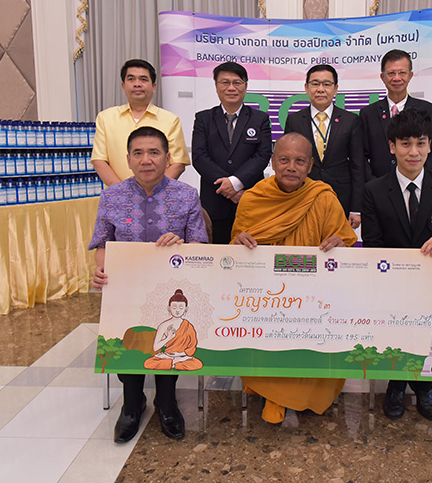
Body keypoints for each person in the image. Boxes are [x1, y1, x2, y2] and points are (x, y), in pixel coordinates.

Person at [89, 126, 208, 442]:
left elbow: (200, 245)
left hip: (172, 291)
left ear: (167, 158)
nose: (146, 160)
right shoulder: (112, 196)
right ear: (128, 159)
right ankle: (132, 403)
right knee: (128, 339)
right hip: (125, 289)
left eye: (154, 152)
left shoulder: (186, 195)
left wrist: (182, 245)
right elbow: (102, 244)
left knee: (171, 340)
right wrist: (102, 269)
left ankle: (167, 403)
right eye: (138, 153)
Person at [231, 133, 357, 424]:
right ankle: (273, 393)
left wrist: (340, 245)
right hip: (267, 298)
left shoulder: (323, 198)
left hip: (314, 297)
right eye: (284, 160)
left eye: (299, 161)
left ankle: (302, 395)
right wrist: (238, 244)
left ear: (310, 165)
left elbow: (345, 244)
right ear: (273, 162)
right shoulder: (253, 199)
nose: (291, 167)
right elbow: (235, 251)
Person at [361, 107, 432, 422]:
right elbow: (373, 243)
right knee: (397, 332)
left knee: (430, 333)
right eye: (405, 144)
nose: (414, 152)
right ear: (392, 147)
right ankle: (395, 386)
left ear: (430, 146)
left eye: (421, 143)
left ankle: (425, 388)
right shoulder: (374, 191)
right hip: (392, 282)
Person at [192, 62, 272, 244]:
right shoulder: (203, 118)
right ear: (216, 85)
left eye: (237, 82)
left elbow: (262, 155)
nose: (231, 88)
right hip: (214, 203)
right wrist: (227, 187)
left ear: (245, 86)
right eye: (225, 82)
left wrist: (235, 183)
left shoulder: (260, 119)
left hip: (248, 199)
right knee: (215, 255)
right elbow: (199, 156)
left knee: (251, 253)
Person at [284, 65, 364, 228]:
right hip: (302, 197)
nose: (320, 89)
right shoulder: (294, 120)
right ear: (306, 88)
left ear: (335, 89)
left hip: (340, 197)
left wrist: (356, 208)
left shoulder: (350, 120)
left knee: (336, 242)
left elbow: (358, 166)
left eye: (327, 84)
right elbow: (287, 162)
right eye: (315, 84)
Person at [91, 59, 190, 186]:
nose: (137, 84)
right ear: (123, 86)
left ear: (153, 87)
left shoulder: (170, 120)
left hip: (159, 196)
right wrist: (123, 192)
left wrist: (153, 191)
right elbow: (99, 161)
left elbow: (178, 163)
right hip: (118, 195)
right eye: (131, 79)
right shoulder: (106, 118)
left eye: (143, 79)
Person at [359, 49, 432, 180]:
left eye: (402, 73)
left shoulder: (428, 110)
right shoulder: (368, 113)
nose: (397, 78)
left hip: (415, 185)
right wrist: (374, 185)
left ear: (410, 75)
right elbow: (361, 156)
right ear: (382, 77)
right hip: (378, 186)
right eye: (391, 73)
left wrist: (417, 182)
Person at [144, 289, 203, 371]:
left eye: (181, 308)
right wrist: (168, 338)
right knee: (148, 363)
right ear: (169, 308)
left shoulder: (188, 326)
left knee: (197, 364)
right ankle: (175, 362)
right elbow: (155, 347)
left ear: (186, 309)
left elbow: (192, 346)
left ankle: (172, 363)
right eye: (174, 307)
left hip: (182, 356)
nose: (177, 310)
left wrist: (180, 354)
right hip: (168, 355)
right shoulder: (164, 325)